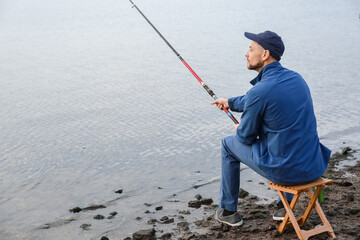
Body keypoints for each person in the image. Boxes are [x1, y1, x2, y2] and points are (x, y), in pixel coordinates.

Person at [211, 30, 331, 227]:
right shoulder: (296, 79)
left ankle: (228, 210)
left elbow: (245, 138)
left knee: (228, 145)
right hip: (314, 166)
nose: (246, 53)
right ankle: (283, 208)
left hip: (288, 174)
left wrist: (239, 129)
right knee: (284, 138)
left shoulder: (260, 91)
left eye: (250, 49)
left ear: (265, 54)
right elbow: (257, 99)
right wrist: (230, 102)